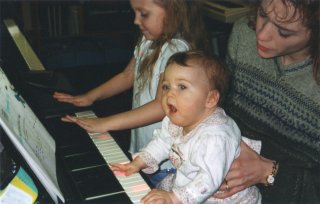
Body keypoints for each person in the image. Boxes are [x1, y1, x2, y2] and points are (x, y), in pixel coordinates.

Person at [53, 0, 209, 186]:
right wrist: (90, 96)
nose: (136, 20)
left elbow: (162, 106)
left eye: (143, 14)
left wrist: (105, 123)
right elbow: (128, 75)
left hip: (165, 163)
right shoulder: (148, 40)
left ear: (173, 10)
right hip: (144, 151)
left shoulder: (176, 50)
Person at [110, 51, 262, 204]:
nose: (169, 94)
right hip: (188, 184)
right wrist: (139, 162)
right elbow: (162, 143)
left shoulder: (216, 136)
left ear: (210, 99)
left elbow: (208, 180)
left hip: (220, 197)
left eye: (182, 86)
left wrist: (175, 198)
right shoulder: (178, 120)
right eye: (166, 86)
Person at [214, 0, 320, 203]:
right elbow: (222, 111)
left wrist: (267, 172)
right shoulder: (243, 34)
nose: (261, 35)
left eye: (284, 32)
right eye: (263, 14)